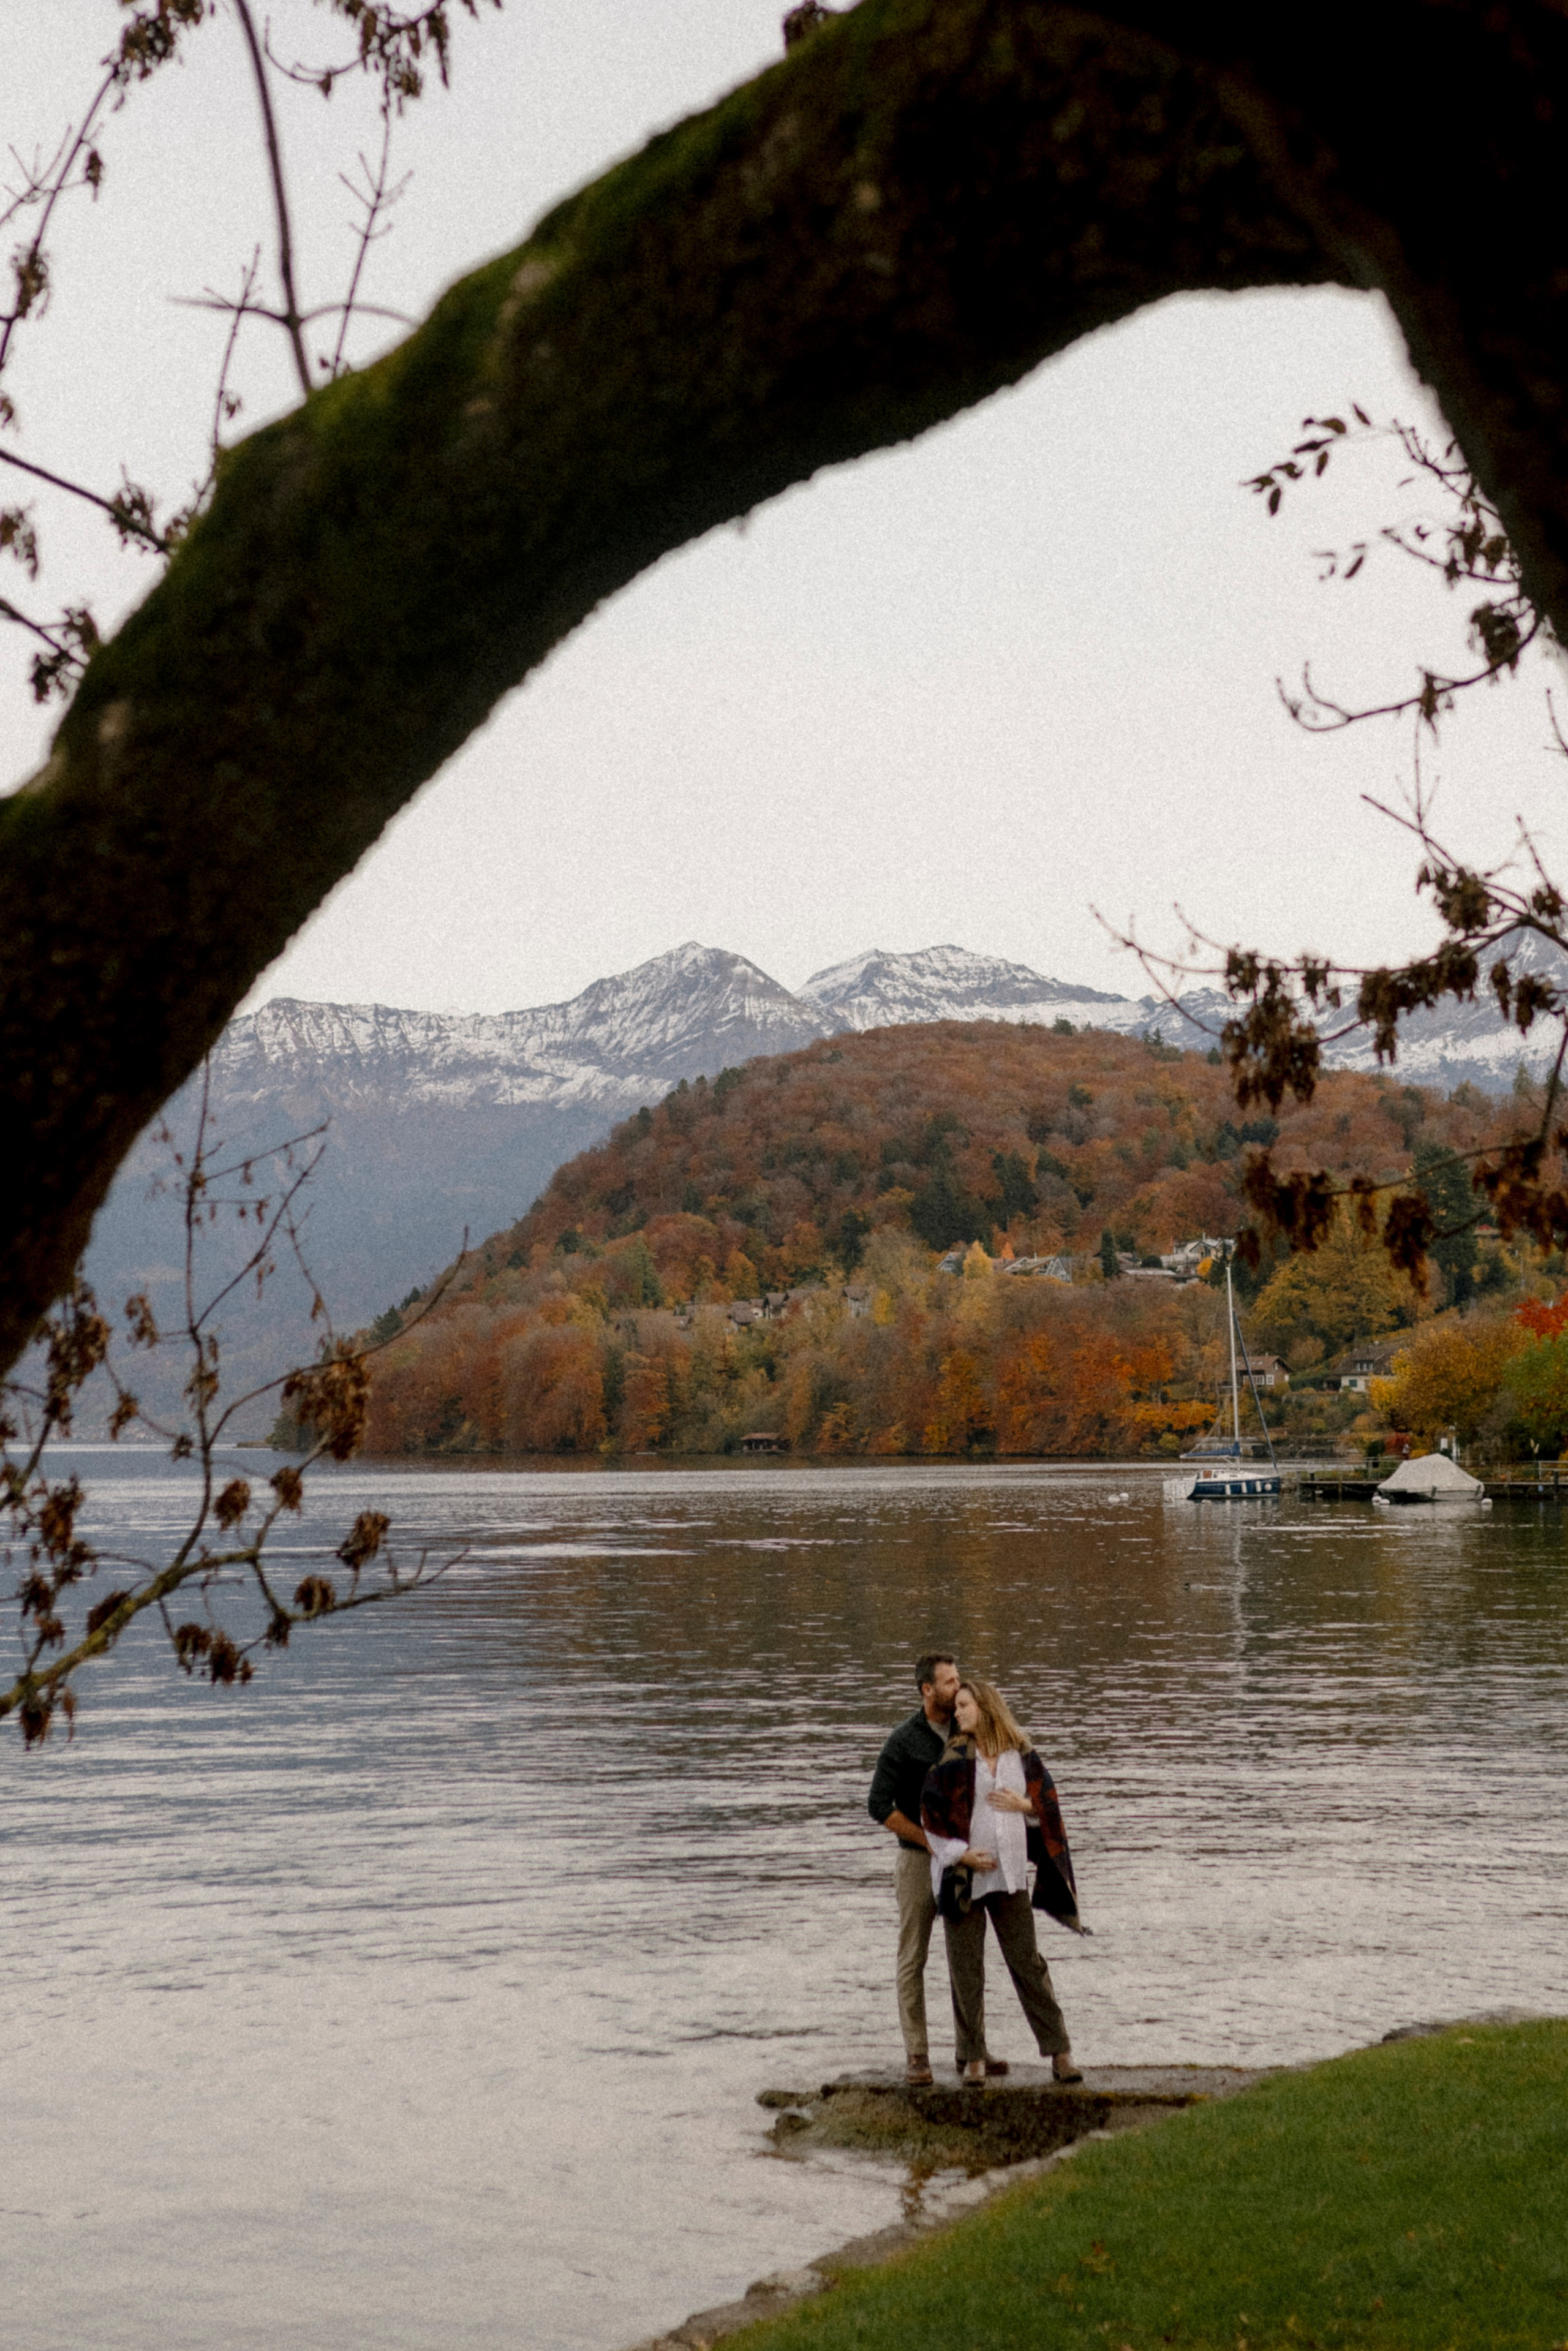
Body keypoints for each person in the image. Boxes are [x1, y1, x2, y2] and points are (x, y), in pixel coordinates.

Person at [921, 1675, 1085, 2088]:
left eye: (964, 1706)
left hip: (1010, 1874)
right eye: (956, 1706)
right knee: (966, 1969)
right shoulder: (953, 1756)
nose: (957, 1713)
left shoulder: (1021, 1754)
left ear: (986, 1708)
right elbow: (931, 1818)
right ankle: (973, 2058)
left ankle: (1060, 2052)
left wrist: (1024, 1804)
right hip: (963, 1878)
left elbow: (1048, 1806)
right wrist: (963, 1855)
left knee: (1028, 1964)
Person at [867, 1652, 1007, 2087]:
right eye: (949, 1682)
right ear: (927, 1690)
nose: (957, 1688)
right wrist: (931, 1844)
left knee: (965, 1958)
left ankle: (971, 2053)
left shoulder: (970, 1728)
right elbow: (878, 1806)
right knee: (913, 1956)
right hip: (916, 1861)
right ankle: (917, 2054)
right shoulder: (903, 1740)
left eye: (958, 1679)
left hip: (965, 1861)